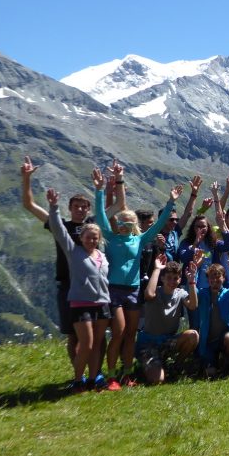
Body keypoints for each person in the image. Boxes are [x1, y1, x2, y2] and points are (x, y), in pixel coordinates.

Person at [93, 166, 181, 388]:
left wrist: (171, 203)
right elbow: (102, 217)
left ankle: (126, 373)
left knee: (131, 334)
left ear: (133, 226)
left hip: (133, 290)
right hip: (114, 289)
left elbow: (159, 225)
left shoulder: (139, 240)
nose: (123, 226)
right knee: (119, 332)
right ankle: (111, 375)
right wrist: (99, 191)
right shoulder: (110, 237)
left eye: (128, 223)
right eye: (121, 222)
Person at [21, 156, 92, 366]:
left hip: (92, 285)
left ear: (88, 209)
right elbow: (29, 205)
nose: (80, 209)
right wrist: (26, 178)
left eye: (84, 207)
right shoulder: (60, 225)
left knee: (93, 334)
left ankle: (92, 373)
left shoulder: (95, 226)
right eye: (76, 206)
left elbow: (117, 208)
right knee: (73, 335)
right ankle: (78, 373)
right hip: (68, 285)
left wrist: (115, 182)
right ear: (69, 208)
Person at [45, 188, 110, 392]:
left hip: (102, 303)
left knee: (98, 343)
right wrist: (54, 207)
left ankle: (92, 380)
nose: (92, 240)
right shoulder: (73, 252)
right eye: (88, 237)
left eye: (95, 238)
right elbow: (58, 229)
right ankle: (77, 379)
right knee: (87, 343)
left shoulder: (101, 255)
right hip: (81, 303)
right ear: (81, 238)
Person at [136, 254, 199, 384]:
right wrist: (157, 269)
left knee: (193, 335)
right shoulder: (155, 291)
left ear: (180, 280)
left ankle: (176, 367)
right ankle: (145, 366)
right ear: (162, 278)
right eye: (169, 278)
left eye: (175, 278)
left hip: (168, 341)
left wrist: (192, 281)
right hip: (149, 344)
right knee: (157, 380)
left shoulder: (180, 293)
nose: (172, 281)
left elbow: (193, 305)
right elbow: (148, 294)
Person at [194, 255, 229, 377]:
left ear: (224, 278)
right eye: (211, 280)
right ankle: (213, 364)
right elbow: (192, 290)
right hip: (208, 342)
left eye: (218, 279)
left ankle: (228, 365)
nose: (215, 282)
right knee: (210, 374)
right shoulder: (202, 294)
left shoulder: (228, 293)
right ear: (208, 280)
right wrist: (195, 270)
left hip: (224, 339)